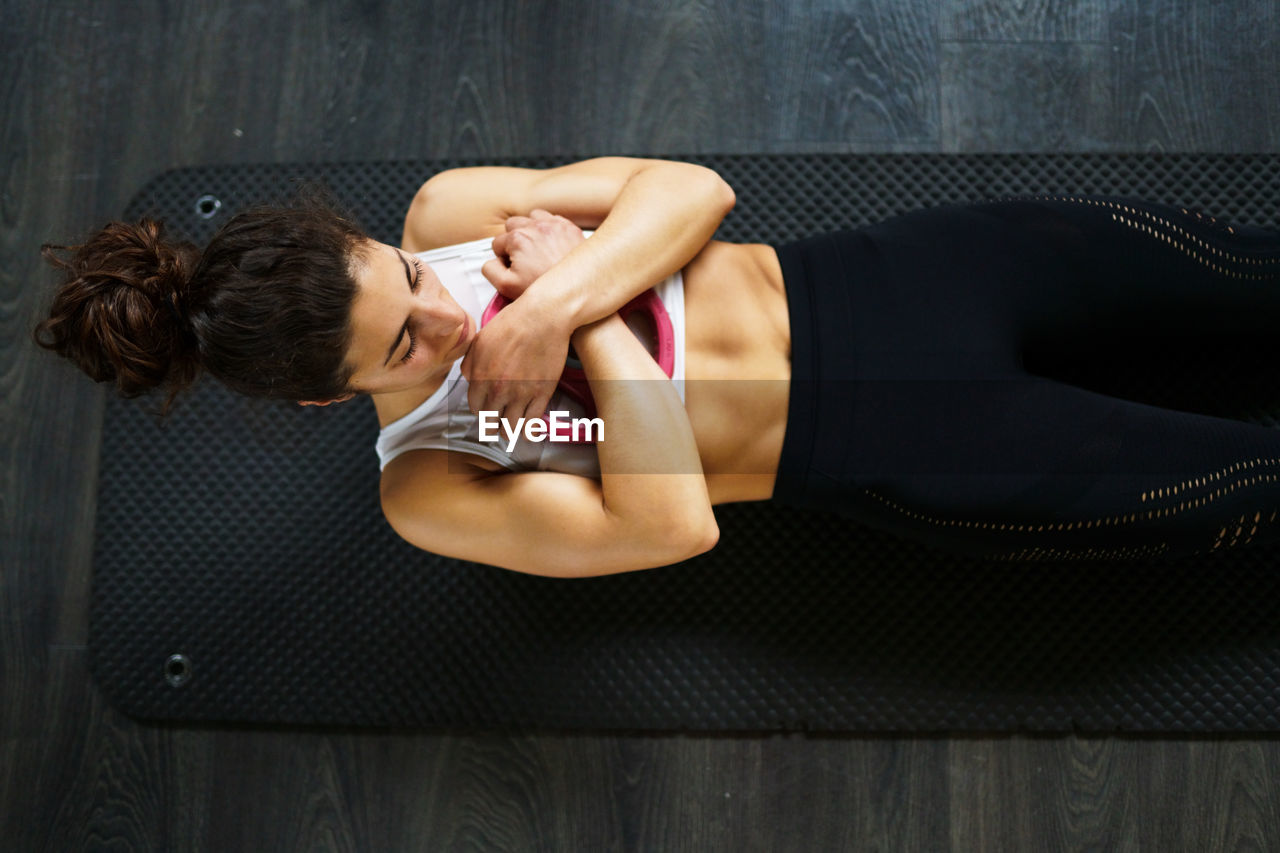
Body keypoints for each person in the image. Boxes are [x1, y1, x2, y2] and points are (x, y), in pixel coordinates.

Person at [34, 157, 1280, 576]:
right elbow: (672, 523)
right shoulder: (429, 485)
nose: (446, 312)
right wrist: (580, 324)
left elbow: (693, 191)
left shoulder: (451, 209)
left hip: (894, 278)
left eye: (403, 280)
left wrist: (552, 294)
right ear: (326, 397)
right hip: (898, 445)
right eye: (403, 342)